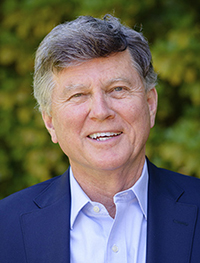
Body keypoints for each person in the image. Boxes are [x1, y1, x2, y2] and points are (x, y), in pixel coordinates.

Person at [0, 14, 200, 263]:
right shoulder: (5, 227)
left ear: (150, 105)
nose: (101, 111)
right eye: (78, 95)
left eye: (118, 89)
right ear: (50, 121)